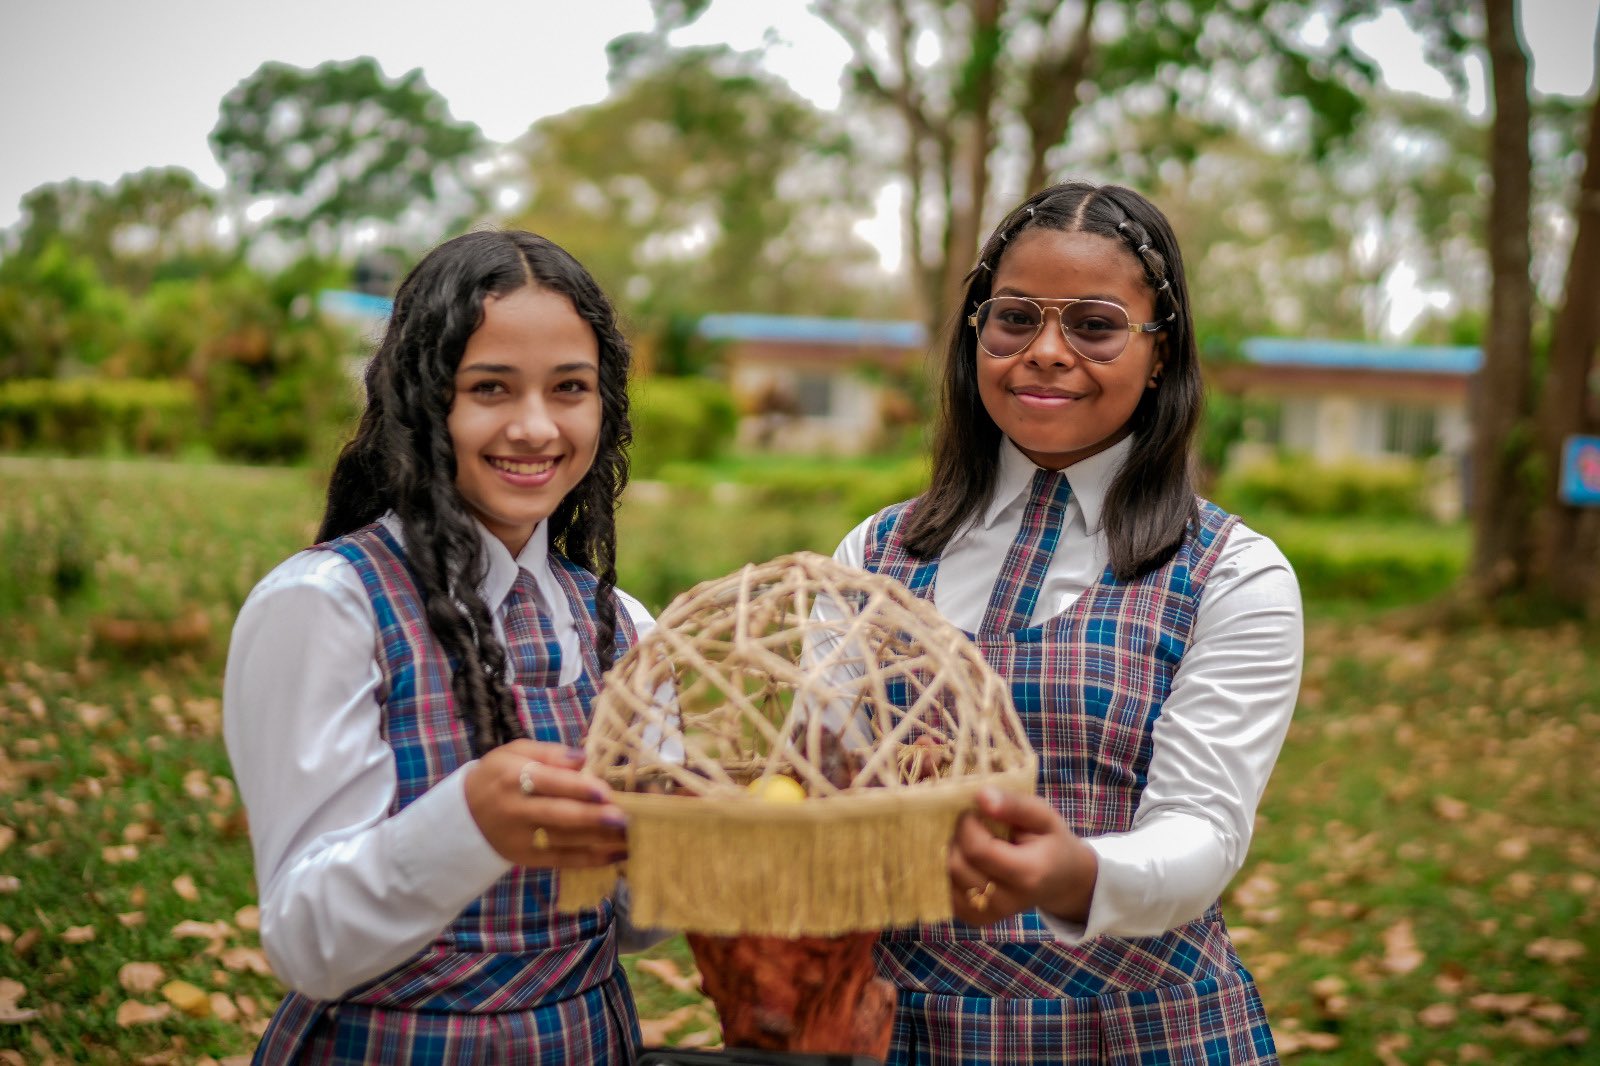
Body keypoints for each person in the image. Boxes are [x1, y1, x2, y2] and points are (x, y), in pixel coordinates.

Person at [835, 180, 1303, 1063]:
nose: (1046, 352)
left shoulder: (1232, 574)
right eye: (1014, 318)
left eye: (1094, 325)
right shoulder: (874, 553)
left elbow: (1203, 831)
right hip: (904, 1030)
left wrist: (1077, 874)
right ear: (977, 331)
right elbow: (814, 775)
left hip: (1138, 1029)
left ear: (1160, 353)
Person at [224, 230, 655, 1063]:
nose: (535, 427)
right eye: (490, 387)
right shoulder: (326, 608)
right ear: (424, 401)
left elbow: (635, 925)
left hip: (589, 1039)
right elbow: (307, 942)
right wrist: (470, 823)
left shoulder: (624, 626)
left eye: (570, 388)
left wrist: (690, 837)